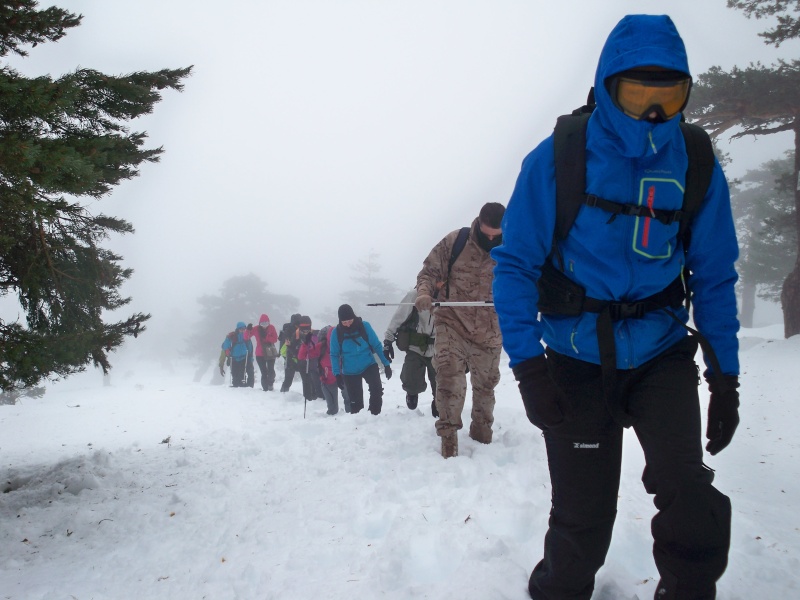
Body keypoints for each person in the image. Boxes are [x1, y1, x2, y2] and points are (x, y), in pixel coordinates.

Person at [492, 15, 740, 600]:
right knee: (583, 516)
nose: (653, 113)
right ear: (607, 86)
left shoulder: (695, 159)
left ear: (685, 92)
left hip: (661, 355)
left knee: (690, 497)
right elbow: (515, 266)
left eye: (668, 96)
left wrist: (725, 378)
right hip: (576, 361)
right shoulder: (557, 157)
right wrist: (529, 368)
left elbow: (715, 276)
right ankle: (559, 590)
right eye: (637, 94)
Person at [415, 202, 505, 458]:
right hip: (452, 322)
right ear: (478, 222)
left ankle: (482, 434)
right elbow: (429, 272)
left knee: (485, 385)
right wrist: (424, 293)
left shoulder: (514, 246)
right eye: (486, 233)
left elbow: (531, 279)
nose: (490, 238)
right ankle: (448, 438)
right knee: (449, 377)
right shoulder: (456, 241)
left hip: (490, 329)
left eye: (495, 234)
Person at [329, 304, 392, 415]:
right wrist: (337, 374)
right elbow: (334, 355)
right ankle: (359, 423)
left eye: (350, 321)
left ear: (354, 317)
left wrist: (386, 364)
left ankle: (374, 414)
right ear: (340, 321)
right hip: (349, 370)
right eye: (344, 322)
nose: (348, 324)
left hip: (368, 364)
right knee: (356, 402)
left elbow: (377, 345)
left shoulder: (364, 326)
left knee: (376, 391)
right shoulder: (336, 333)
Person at [383, 289, 437, 416]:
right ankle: (412, 393)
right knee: (411, 378)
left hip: (439, 347)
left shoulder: (450, 295)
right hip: (415, 346)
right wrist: (388, 341)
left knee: (441, 381)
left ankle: (439, 401)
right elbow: (399, 317)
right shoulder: (414, 295)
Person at [243, 314, 279, 391]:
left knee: (271, 371)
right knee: (264, 372)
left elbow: (275, 339)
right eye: (262, 324)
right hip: (260, 353)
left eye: (266, 323)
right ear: (259, 323)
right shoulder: (256, 329)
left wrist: (266, 336)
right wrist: (248, 330)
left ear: (269, 323)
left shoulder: (272, 328)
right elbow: (246, 337)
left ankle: (270, 384)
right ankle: (265, 389)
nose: (264, 326)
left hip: (270, 352)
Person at [296, 316, 324, 402]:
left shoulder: (316, 334)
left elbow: (319, 347)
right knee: (306, 381)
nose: (305, 331)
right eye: (303, 329)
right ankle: (309, 398)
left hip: (314, 361)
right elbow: (294, 349)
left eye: (307, 328)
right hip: (302, 362)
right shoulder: (296, 335)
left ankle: (319, 397)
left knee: (316, 381)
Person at [221, 322, 254, 388]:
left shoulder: (246, 336)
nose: (243, 330)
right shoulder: (233, 336)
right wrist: (228, 338)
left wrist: (250, 357)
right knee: (235, 374)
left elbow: (249, 347)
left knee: (244, 373)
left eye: (244, 329)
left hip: (244, 358)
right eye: (241, 329)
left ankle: (247, 386)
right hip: (234, 358)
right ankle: (237, 385)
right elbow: (225, 346)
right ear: (238, 329)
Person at [278, 313, 302, 392]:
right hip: (291, 358)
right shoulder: (288, 332)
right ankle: (284, 394)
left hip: (293, 358)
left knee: (288, 379)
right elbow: (284, 348)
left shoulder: (290, 331)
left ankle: (283, 393)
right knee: (289, 379)